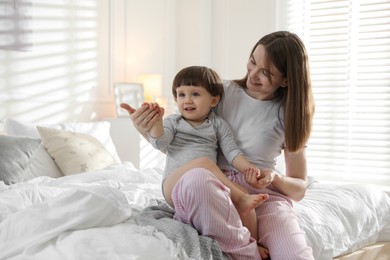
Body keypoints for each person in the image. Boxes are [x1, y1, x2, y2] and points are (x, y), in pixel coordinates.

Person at [121, 31, 315, 260]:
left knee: (294, 254)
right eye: (252, 62)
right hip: (212, 186)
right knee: (198, 177)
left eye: (266, 72)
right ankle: (248, 254)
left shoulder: (290, 113)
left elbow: (300, 188)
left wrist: (274, 177)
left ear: (286, 80)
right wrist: (144, 127)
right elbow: (179, 142)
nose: (252, 74)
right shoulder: (220, 92)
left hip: (263, 195)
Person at [123, 66, 269, 259]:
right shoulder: (174, 122)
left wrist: (249, 168)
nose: (187, 100)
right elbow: (160, 142)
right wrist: (157, 123)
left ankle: (251, 244)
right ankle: (240, 199)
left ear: (213, 100)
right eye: (181, 94)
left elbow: (233, 153)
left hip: (204, 182)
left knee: (248, 207)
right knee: (204, 163)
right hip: (173, 185)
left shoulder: (217, 124)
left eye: (195, 94)